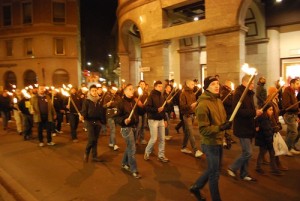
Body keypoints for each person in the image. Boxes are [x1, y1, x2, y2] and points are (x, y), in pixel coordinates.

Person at [190, 76, 231, 201]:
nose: (217, 86)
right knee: (214, 174)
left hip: (219, 141)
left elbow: (223, 120)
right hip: (209, 143)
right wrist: (220, 128)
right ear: (207, 87)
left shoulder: (218, 101)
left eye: (217, 83)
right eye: (213, 84)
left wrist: (227, 135)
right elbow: (203, 130)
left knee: (214, 169)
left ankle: (196, 187)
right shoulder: (203, 104)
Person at [227, 75, 263, 181]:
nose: (253, 85)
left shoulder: (249, 93)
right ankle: (232, 167)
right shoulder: (239, 93)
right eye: (251, 83)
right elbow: (237, 111)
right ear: (245, 83)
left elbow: (250, 109)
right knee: (248, 152)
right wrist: (254, 112)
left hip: (249, 126)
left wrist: (256, 118)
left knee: (245, 153)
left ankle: (244, 173)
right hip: (242, 127)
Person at [115, 84, 141, 179]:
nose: (132, 91)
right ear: (125, 91)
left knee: (129, 147)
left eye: (133, 89)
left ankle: (124, 163)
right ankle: (133, 169)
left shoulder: (134, 101)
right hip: (126, 129)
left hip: (134, 127)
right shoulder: (121, 103)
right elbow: (116, 118)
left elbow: (141, 112)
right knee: (132, 149)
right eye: (130, 89)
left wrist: (141, 106)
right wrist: (124, 120)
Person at [255, 104, 284, 176]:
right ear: (265, 110)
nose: (272, 111)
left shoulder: (267, 117)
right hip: (265, 140)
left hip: (266, 139)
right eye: (270, 110)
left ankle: (273, 169)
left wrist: (275, 128)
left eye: (272, 110)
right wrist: (270, 140)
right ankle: (259, 167)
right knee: (263, 153)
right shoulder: (264, 118)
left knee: (269, 154)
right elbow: (267, 130)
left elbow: (269, 129)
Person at [144, 80, 169, 162]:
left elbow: (164, 109)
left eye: (161, 86)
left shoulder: (162, 96)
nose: (161, 88)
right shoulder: (151, 96)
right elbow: (147, 108)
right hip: (153, 119)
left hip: (161, 119)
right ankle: (147, 152)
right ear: (155, 87)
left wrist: (165, 119)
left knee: (162, 139)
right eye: (159, 86)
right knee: (154, 138)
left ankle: (161, 155)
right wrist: (156, 110)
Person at [179, 80, 203, 158]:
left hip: (192, 114)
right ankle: (195, 150)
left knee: (187, 132)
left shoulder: (192, 93)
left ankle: (183, 147)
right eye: (192, 84)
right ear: (188, 85)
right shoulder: (183, 94)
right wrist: (190, 106)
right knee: (191, 133)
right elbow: (182, 106)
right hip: (187, 115)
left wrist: (195, 111)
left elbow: (194, 104)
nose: (194, 85)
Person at [81, 85, 104, 162]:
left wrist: (103, 121)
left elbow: (101, 111)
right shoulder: (86, 101)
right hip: (89, 121)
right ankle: (87, 152)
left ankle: (94, 156)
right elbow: (84, 111)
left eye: (95, 90)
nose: (94, 92)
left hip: (97, 122)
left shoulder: (99, 100)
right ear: (90, 91)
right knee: (91, 139)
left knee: (95, 140)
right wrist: (82, 116)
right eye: (92, 91)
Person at [282, 78, 300, 156]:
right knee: (294, 132)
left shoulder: (292, 92)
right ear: (292, 84)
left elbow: (294, 103)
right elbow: (287, 106)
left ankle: (288, 148)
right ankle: (286, 149)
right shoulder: (287, 92)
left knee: (290, 132)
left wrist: (297, 109)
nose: (298, 85)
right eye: (297, 83)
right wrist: (296, 108)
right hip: (289, 115)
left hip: (293, 114)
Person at [103, 85, 120, 151]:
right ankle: (114, 144)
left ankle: (110, 142)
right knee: (113, 130)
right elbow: (104, 106)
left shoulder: (117, 96)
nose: (114, 90)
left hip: (116, 114)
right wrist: (108, 104)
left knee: (113, 129)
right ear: (110, 89)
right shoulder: (107, 96)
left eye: (115, 89)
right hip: (110, 115)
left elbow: (119, 103)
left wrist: (113, 103)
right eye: (113, 89)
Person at [136, 80, 148, 144]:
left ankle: (142, 138)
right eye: (141, 84)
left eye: (143, 84)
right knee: (139, 126)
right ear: (139, 84)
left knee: (143, 126)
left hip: (144, 112)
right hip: (138, 112)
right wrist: (139, 103)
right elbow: (136, 100)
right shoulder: (136, 92)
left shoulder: (146, 92)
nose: (142, 85)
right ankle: (136, 139)